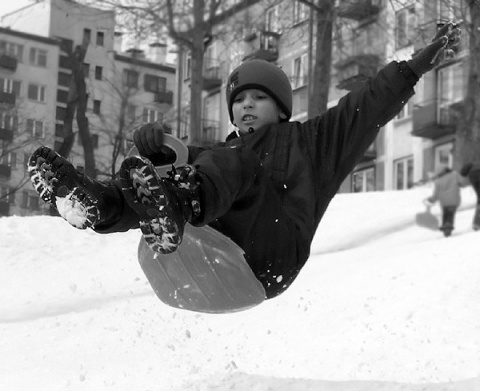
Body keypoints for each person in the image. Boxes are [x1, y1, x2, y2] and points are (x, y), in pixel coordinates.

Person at [28, 22, 461, 301]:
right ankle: (96, 204)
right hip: (215, 252)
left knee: (230, 164)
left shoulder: (314, 141)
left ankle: (176, 207)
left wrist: (413, 67)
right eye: (239, 100)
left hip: (271, 258)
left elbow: (365, 104)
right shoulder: (221, 153)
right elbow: (191, 163)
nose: (247, 106)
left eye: (258, 97)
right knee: (172, 166)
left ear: (281, 107)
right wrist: (157, 153)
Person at [424, 165, 465, 237]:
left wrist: (431, 200)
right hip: (454, 200)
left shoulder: (438, 181)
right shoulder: (455, 174)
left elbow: (436, 195)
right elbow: (462, 183)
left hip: (444, 202)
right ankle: (448, 227)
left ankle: (445, 227)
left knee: (445, 214)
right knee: (451, 214)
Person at [460, 161, 480, 230]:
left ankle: (476, 223)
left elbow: (463, 172)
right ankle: (477, 223)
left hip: (472, 175)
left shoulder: (475, 163)